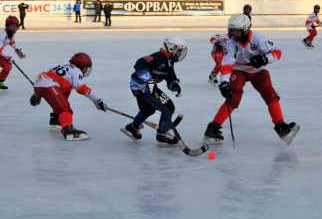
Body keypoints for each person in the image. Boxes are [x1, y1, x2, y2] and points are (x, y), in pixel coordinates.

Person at [203, 14, 300, 145]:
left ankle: (281, 128)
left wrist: (265, 59)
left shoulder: (259, 39)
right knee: (233, 98)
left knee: (270, 95)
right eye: (231, 30)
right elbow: (228, 62)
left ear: (245, 30)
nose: (232, 34)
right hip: (239, 69)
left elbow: (277, 52)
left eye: (236, 31)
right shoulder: (231, 43)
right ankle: (213, 129)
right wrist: (224, 82)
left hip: (257, 70)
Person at [121, 37, 187, 146]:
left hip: (144, 87)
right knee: (168, 107)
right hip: (142, 87)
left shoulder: (169, 62)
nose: (180, 54)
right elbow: (139, 64)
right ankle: (162, 134)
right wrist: (151, 84)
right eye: (179, 51)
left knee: (148, 109)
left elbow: (170, 76)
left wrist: (174, 84)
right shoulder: (158, 57)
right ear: (171, 48)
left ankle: (133, 127)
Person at [29, 52, 107, 141]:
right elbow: (81, 88)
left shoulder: (62, 66)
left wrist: (37, 94)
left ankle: (56, 119)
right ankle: (68, 130)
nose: (86, 70)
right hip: (50, 85)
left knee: (63, 97)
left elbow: (47, 77)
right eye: (86, 68)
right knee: (66, 109)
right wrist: (97, 100)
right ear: (81, 66)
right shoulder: (76, 71)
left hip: (40, 82)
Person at [0, 16, 26, 90]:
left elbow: (12, 43)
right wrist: (6, 56)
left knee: (8, 66)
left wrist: (18, 51)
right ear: (8, 26)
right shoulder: (2, 34)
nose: (16, 28)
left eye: (17, 26)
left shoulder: (11, 33)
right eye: (14, 26)